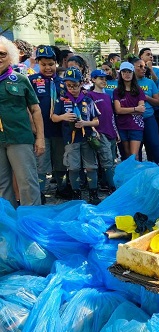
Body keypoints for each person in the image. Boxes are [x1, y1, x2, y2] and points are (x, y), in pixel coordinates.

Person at [0, 36, 44, 207]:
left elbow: (35, 109)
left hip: (20, 138)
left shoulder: (20, 79)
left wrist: (40, 138)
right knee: (2, 185)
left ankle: (31, 224)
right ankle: (8, 224)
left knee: (27, 182)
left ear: (10, 56)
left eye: (2, 54)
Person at [51, 67, 101, 204]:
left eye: (75, 85)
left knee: (91, 166)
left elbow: (97, 121)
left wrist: (85, 123)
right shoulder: (62, 101)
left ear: (81, 83)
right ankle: (76, 194)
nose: (72, 88)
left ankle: (93, 193)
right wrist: (64, 116)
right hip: (70, 140)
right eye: (69, 85)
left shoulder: (87, 100)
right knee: (73, 167)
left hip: (87, 138)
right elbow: (54, 117)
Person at [28, 45, 72, 201]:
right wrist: (33, 127)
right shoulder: (32, 81)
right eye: (44, 64)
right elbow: (27, 107)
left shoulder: (63, 83)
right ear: (38, 64)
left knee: (61, 161)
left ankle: (62, 188)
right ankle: (39, 191)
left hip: (59, 130)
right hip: (41, 131)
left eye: (51, 64)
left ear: (56, 63)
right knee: (41, 162)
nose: (48, 68)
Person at [88, 69, 119, 192]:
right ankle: (112, 187)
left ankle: (105, 183)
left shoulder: (107, 96)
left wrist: (115, 131)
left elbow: (111, 115)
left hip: (110, 131)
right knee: (107, 161)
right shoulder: (89, 96)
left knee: (111, 159)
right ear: (94, 79)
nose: (104, 81)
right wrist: (94, 130)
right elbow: (89, 115)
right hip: (100, 133)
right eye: (101, 78)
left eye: (105, 79)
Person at [113, 61, 146, 159]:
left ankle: (136, 174)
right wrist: (135, 108)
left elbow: (142, 109)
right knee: (126, 155)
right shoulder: (117, 91)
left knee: (134, 156)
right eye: (124, 72)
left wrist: (126, 110)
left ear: (133, 73)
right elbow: (118, 110)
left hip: (136, 126)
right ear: (121, 74)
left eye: (129, 72)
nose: (127, 74)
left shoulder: (139, 90)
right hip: (122, 126)